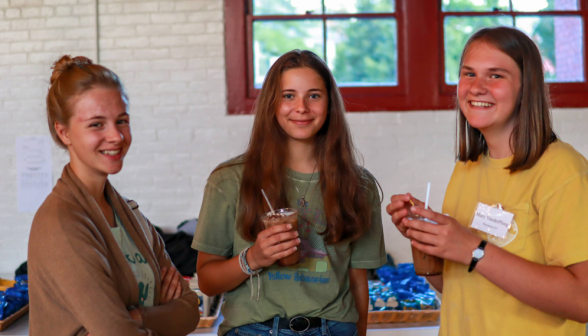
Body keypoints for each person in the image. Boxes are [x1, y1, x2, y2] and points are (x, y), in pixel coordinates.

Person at [387, 27, 588, 335]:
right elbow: (458, 286)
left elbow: (582, 301)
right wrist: (428, 239)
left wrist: (474, 249)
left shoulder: (562, 169)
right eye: (468, 74)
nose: (476, 87)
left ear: (527, 87)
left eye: (495, 75)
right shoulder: (468, 167)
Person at [192, 49, 386, 336]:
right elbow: (207, 281)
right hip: (253, 330)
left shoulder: (360, 185)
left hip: (334, 328)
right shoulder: (229, 180)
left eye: (314, 95)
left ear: (330, 103)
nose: (302, 107)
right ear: (272, 103)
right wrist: (253, 258)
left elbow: (358, 283)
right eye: (288, 95)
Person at [28, 55, 200, 336]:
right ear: (64, 132)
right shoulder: (61, 223)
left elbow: (190, 311)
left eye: (121, 121)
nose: (117, 136)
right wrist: (158, 313)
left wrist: (137, 316)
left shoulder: (130, 215)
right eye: (97, 124)